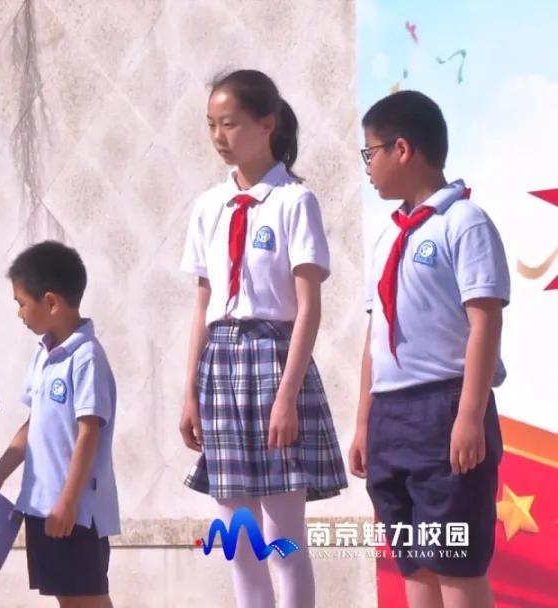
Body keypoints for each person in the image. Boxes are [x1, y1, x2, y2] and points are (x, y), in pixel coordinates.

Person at [177, 69, 347, 608]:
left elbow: (308, 307)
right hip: (220, 365)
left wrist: (287, 396)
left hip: (275, 361)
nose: (219, 137)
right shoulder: (208, 206)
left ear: (267, 124)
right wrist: (189, 394)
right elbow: (203, 304)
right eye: (211, 125)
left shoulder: (296, 201)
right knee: (238, 542)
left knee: (282, 540)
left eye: (230, 123)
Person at [348, 90, 507, 608]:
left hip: (445, 406)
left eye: (369, 153)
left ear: (402, 148)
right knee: (413, 562)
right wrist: (365, 423)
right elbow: (376, 339)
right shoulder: (387, 239)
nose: (367, 167)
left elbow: (484, 324)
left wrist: (468, 415)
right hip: (391, 418)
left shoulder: (463, 222)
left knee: (454, 564)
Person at [0, 241, 118, 608]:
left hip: (74, 511)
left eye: (22, 303)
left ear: (51, 302)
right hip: (39, 507)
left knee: (87, 600)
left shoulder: (86, 357)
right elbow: (33, 423)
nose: (20, 314)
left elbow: (89, 432)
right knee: (67, 599)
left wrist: (68, 502)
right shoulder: (44, 354)